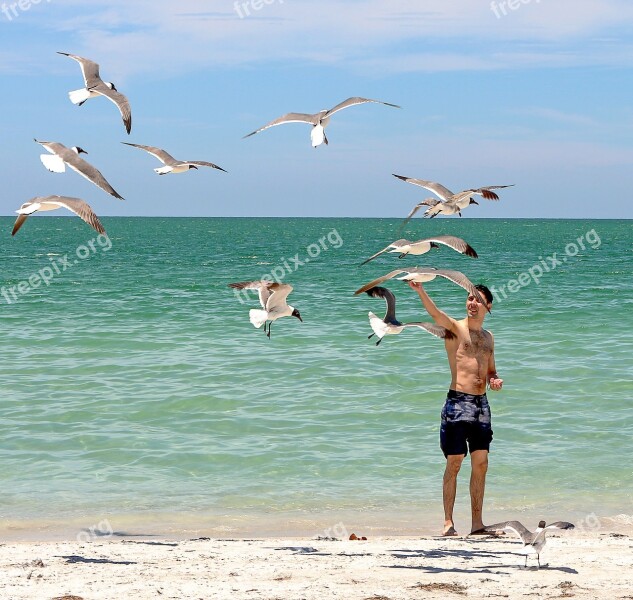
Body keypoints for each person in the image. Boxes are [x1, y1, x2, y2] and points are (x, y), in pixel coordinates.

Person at [408, 281, 503, 536]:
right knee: (455, 462)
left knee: (481, 463)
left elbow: (491, 369)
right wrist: (420, 290)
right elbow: (436, 314)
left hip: (482, 405)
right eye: (469, 299)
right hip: (458, 402)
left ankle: (477, 524)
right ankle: (448, 523)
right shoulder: (455, 329)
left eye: (477, 300)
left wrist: (494, 380)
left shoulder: (489, 337)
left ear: (488, 306)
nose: (472, 304)